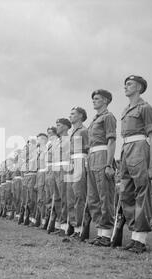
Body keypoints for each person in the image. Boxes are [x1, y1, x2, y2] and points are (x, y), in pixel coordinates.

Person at [120, 75, 152, 253]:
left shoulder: (145, 107)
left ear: (139, 87)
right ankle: (135, 233)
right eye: (126, 84)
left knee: (141, 191)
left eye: (130, 84)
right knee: (125, 193)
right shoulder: (125, 110)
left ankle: (140, 239)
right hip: (126, 148)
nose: (126, 87)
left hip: (139, 147)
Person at [87, 89, 117, 247]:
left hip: (102, 156)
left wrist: (108, 164)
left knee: (105, 196)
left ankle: (106, 234)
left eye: (97, 98)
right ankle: (100, 233)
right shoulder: (94, 120)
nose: (94, 101)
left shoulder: (108, 117)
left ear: (105, 101)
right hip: (92, 158)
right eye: (93, 99)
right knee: (94, 198)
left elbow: (111, 141)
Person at [67, 106, 89, 239]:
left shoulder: (84, 131)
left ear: (81, 115)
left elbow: (88, 148)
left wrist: (86, 164)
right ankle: (74, 225)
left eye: (73, 114)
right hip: (71, 163)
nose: (70, 116)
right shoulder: (73, 132)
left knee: (79, 195)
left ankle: (81, 227)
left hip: (80, 161)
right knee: (71, 196)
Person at [48, 118, 71, 235]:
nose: (57, 127)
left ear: (66, 127)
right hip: (55, 170)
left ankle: (66, 226)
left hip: (64, 169)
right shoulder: (56, 141)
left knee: (64, 198)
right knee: (57, 198)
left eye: (59, 125)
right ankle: (60, 225)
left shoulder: (70, 140)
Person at [34, 133, 48, 227]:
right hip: (39, 175)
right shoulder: (39, 152)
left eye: (38, 139)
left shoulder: (47, 150)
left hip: (44, 174)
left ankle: (45, 221)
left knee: (44, 199)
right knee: (39, 199)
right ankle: (41, 220)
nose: (37, 141)